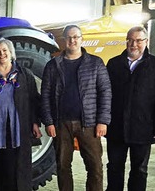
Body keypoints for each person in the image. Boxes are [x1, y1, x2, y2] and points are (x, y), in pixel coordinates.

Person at [40, 24, 111, 191]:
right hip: (61, 123)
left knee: (95, 167)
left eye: (76, 37)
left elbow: (105, 92)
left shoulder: (95, 63)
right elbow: (45, 95)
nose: (73, 40)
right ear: (64, 40)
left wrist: (103, 121)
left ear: (81, 39)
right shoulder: (53, 65)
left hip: (89, 124)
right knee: (63, 167)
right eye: (69, 37)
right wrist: (49, 121)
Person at [0, 38, 42, 191]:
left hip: (17, 128)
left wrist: (35, 122)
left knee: (15, 167)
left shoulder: (25, 75)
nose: (1, 54)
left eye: (5, 51)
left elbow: (33, 101)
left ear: (11, 53)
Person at [105, 26, 155, 191]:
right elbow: (105, 95)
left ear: (146, 42)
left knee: (139, 169)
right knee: (114, 167)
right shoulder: (114, 64)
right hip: (116, 127)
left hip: (143, 127)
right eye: (130, 40)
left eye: (138, 40)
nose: (134, 44)